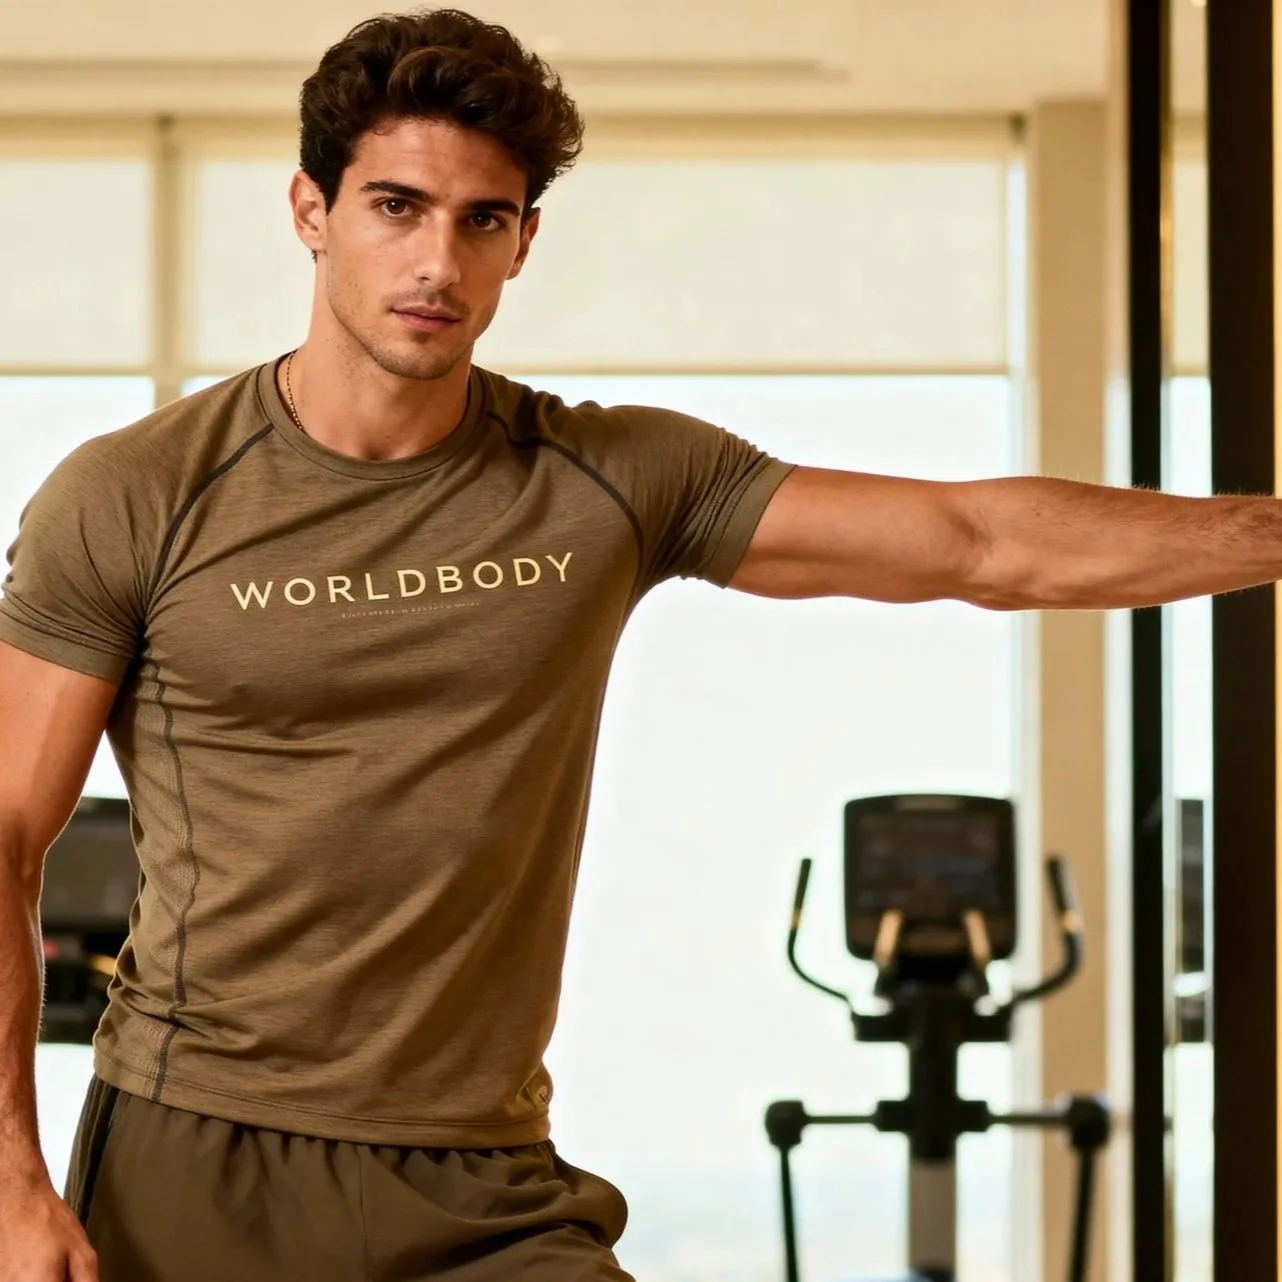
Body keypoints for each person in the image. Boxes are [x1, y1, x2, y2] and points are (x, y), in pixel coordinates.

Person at [0, 7, 1279, 1282]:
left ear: (523, 244)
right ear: (310, 210)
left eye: (481, 220)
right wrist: (12, 1179)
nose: (437, 260)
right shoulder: (136, 496)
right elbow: (7, 829)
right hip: (203, 1151)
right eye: (396, 206)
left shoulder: (606, 477)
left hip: (483, 1177)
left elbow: (976, 543)